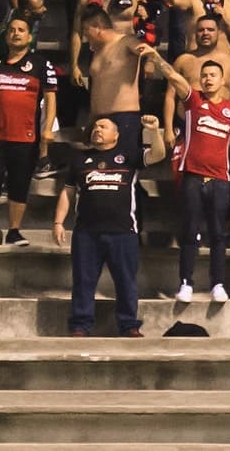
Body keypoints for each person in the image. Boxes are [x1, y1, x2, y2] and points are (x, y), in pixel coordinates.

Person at [141, 43, 230, 303]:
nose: (208, 79)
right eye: (205, 75)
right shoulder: (193, 99)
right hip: (192, 176)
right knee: (189, 231)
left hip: (221, 178)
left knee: (219, 233)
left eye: (213, 75)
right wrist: (156, 57)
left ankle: (218, 284)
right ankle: (186, 283)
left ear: (223, 80)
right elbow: (174, 77)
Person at [54, 114, 167, 337]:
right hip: (86, 232)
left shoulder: (128, 156)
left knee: (126, 282)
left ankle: (129, 325)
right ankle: (80, 325)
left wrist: (153, 131)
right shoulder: (79, 160)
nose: (97, 129)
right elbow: (68, 192)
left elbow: (158, 155)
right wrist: (58, 222)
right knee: (83, 281)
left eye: (103, 127)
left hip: (123, 231)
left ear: (116, 134)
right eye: (95, 126)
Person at [0, 17, 58, 247]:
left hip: (25, 137)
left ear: (29, 36)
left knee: (19, 184)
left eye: (21, 30)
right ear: (6, 36)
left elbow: (50, 98)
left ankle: (14, 232)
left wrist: (47, 129)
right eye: (12, 30)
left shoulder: (40, 64)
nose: (16, 33)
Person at [161, 15, 230, 150]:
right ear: (195, 34)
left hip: (220, 127)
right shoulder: (183, 61)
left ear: (219, 33)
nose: (205, 33)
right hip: (187, 126)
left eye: (210, 30)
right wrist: (168, 129)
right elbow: (170, 96)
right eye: (201, 30)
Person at [76, 5, 146, 158]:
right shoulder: (96, 52)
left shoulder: (126, 42)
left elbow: (145, 50)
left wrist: (153, 59)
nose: (85, 35)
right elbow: (97, 89)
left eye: (87, 30)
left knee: (124, 169)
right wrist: (90, 120)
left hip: (124, 117)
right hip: (98, 119)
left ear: (98, 26)